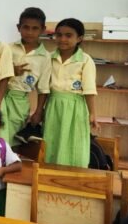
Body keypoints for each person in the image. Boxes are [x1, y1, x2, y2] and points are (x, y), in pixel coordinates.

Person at [42, 18, 98, 167]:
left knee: (74, 142)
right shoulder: (50, 58)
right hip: (53, 106)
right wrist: (39, 110)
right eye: (59, 35)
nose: (62, 39)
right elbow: (44, 88)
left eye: (68, 35)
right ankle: (51, 174)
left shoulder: (85, 60)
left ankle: (74, 175)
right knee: (52, 140)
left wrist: (92, 113)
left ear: (79, 38)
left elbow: (89, 90)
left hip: (76, 108)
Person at [4, 7, 51, 146]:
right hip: (0, 95)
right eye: (26, 27)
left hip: (20, 101)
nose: (30, 32)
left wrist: (38, 111)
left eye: (35, 28)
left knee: (13, 139)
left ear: (43, 30)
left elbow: (43, 88)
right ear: (18, 27)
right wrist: (11, 71)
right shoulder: (7, 48)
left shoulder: (45, 56)